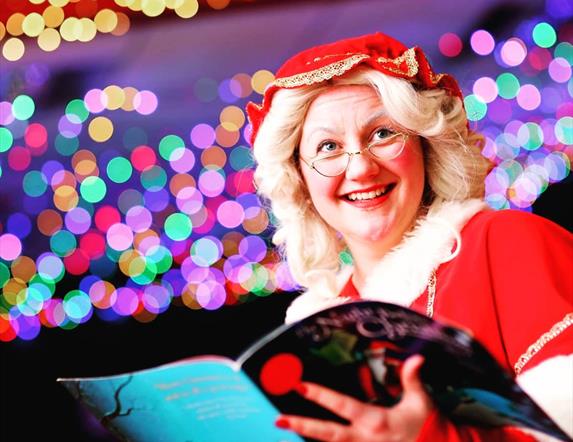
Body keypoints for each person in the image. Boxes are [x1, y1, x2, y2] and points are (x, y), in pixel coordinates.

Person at [246, 33, 573, 441]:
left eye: (383, 134)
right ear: (299, 179)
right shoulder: (321, 334)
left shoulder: (506, 243)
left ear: (424, 144)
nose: (361, 168)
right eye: (328, 146)